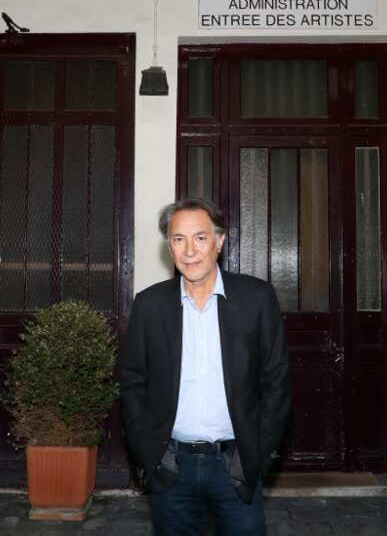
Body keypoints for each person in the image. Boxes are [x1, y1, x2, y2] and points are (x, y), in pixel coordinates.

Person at [121, 198, 291, 536]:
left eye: (200, 238)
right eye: (178, 239)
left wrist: (255, 457)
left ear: (220, 241)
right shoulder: (149, 305)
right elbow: (131, 382)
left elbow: (276, 382)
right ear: (169, 246)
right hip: (170, 466)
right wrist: (148, 453)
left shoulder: (256, 299)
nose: (189, 251)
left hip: (235, 465)